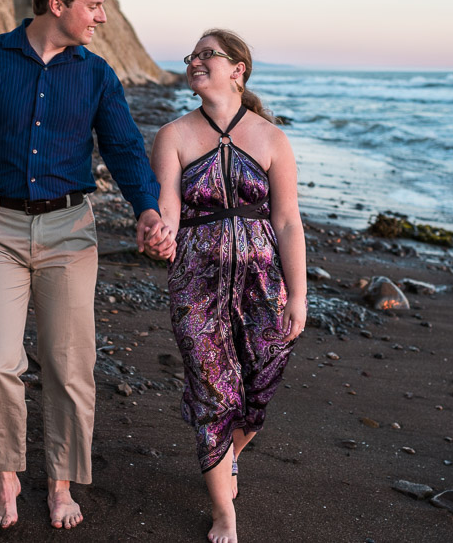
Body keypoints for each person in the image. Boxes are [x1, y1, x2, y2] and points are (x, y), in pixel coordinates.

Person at [0, 0, 171, 530]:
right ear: (56, 5)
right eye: (94, 5)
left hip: (70, 233)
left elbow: (123, 149)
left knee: (69, 367)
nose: (102, 18)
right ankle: (6, 476)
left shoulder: (95, 73)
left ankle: (61, 484)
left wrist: (147, 208)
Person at [151, 29, 307, 543]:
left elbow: (287, 222)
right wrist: (160, 235)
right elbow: (169, 210)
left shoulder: (271, 138)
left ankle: (226, 452)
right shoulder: (173, 136)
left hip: (264, 286)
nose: (195, 61)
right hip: (196, 283)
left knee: (258, 389)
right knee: (216, 394)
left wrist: (299, 294)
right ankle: (224, 514)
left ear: (238, 69)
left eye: (206, 54)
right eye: (192, 55)